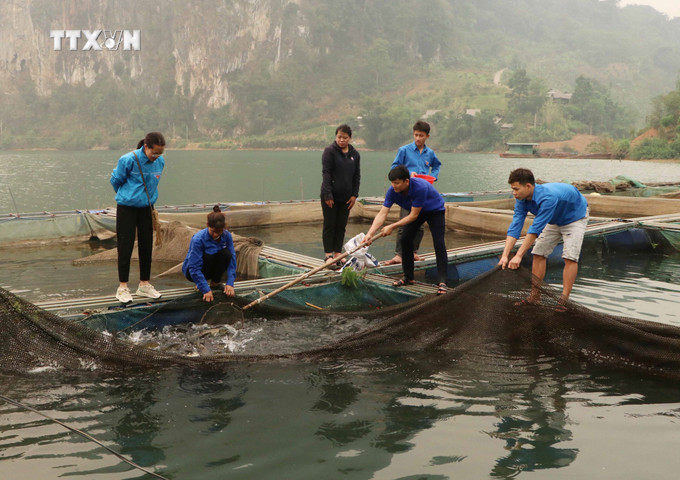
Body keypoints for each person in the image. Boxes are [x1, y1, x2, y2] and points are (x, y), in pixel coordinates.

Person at [498, 168, 589, 311]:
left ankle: (563, 301)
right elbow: (515, 226)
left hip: (574, 217)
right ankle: (534, 297)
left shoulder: (548, 198)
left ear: (528, 186)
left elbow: (535, 229)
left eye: (516, 189)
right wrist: (505, 255)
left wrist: (519, 255)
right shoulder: (521, 199)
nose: (513, 192)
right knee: (539, 253)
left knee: (570, 257)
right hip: (554, 219)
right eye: (512, 189)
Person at [365, 165, 448, 295]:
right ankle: (408, 277)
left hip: (434, 210)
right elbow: (382, 213)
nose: (394, 186)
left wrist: (392, 226)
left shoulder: (419, 188)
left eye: (397, 183)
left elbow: (413, 215)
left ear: (407, 181)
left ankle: (442, 281)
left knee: (438, 243)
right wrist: (370, 233)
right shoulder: (392, 191)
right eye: (392, 183)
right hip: (417, 211)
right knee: (405, 239)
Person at [110, 132, 166, 303]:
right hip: (127, 208)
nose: (156, 156)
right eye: (154, 153)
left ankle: (144, 284)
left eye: (160, 153)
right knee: (125, 246)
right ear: (146, 147)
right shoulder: (128, 160)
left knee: (146, 245)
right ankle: (122, 287)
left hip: (146, 208)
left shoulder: (160, 162)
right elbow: (115, 181)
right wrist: (128, 195)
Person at [383, 120, 442, 266]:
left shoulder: (430, 153)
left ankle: (413, 251)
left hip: (422, 190)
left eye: (421, 135)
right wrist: (409, 174)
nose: (418, 138)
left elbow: (436, 165)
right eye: (416, 135)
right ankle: (399, 254)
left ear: (427, 136)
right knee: (404, 222)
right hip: (407, 190)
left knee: (419, 226)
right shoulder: (404, 150)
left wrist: (433, 177)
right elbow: (394, 167)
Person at [320, 124, 360, 266]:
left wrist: (354, 195)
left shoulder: (355, 154)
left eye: (345, 137)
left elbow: (356, 176)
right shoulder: (329, 151)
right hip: (330, 196)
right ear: (336, 137)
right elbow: (326, 173)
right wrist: (327, 194)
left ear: (350, 138)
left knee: (341, 225)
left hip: (347, 197)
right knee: (330, 224)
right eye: (339, 137)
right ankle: (328, 255)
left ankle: (338, 253)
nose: (341, 140)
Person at [182, 206, 237, 302]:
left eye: (219, 232)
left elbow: (232, 260)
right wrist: (205, 289)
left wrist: (230, 283)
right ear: (207, 225)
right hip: (192, 272)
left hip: (211, 269)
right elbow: (194, 268)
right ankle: (200, 283)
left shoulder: (226, 235)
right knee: (209, 256)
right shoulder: (198, 239)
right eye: (213, 231)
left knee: (226, 254)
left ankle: (215, 282)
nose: (216, 235)